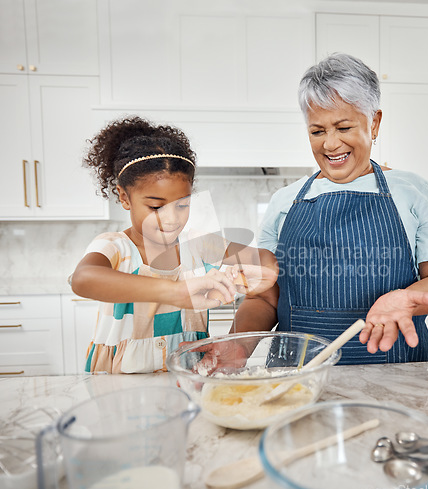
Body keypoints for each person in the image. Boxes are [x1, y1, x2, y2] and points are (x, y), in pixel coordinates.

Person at [232, 53, 428, 364]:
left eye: (343, 128)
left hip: (394, 380)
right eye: (317, 131)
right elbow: (265, 296)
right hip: (297, 380)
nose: (330, 144)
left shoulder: (410, 191)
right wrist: (236, 347)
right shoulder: (284, 201)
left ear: (374, 123)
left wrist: (407, 300)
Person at [71, 116, 277, 374]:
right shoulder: (116, 247)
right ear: (124, 197)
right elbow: (83, 279)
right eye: (156, 207)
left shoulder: (199, 245)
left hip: (185, 380)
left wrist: (249, 272)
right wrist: (177, 291)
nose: (171, 219)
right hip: (119, 383)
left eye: (182, 205)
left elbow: (264, 258)